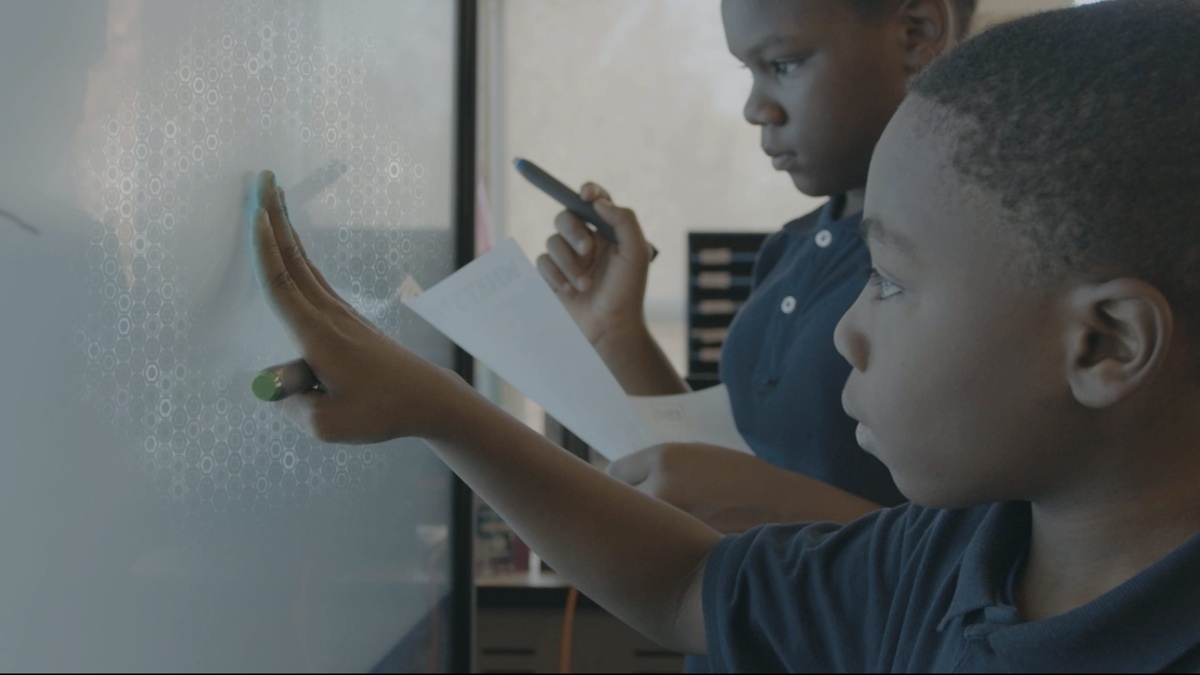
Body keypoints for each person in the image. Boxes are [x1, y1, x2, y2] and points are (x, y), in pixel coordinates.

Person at [251, 0, 1200, 669]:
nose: (848, 334)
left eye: (889, 281)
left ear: (1105, 345)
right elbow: (683, 582)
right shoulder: (958, 558)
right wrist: (439, 408)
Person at [536, 0, 976, 534]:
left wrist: (779, 506)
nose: (754, 109)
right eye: (748, 70)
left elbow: (996, 550)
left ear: (917, 32)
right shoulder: (787, 251)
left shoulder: (973, 256)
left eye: (783, 64)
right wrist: (617, 330)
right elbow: (721, 482)